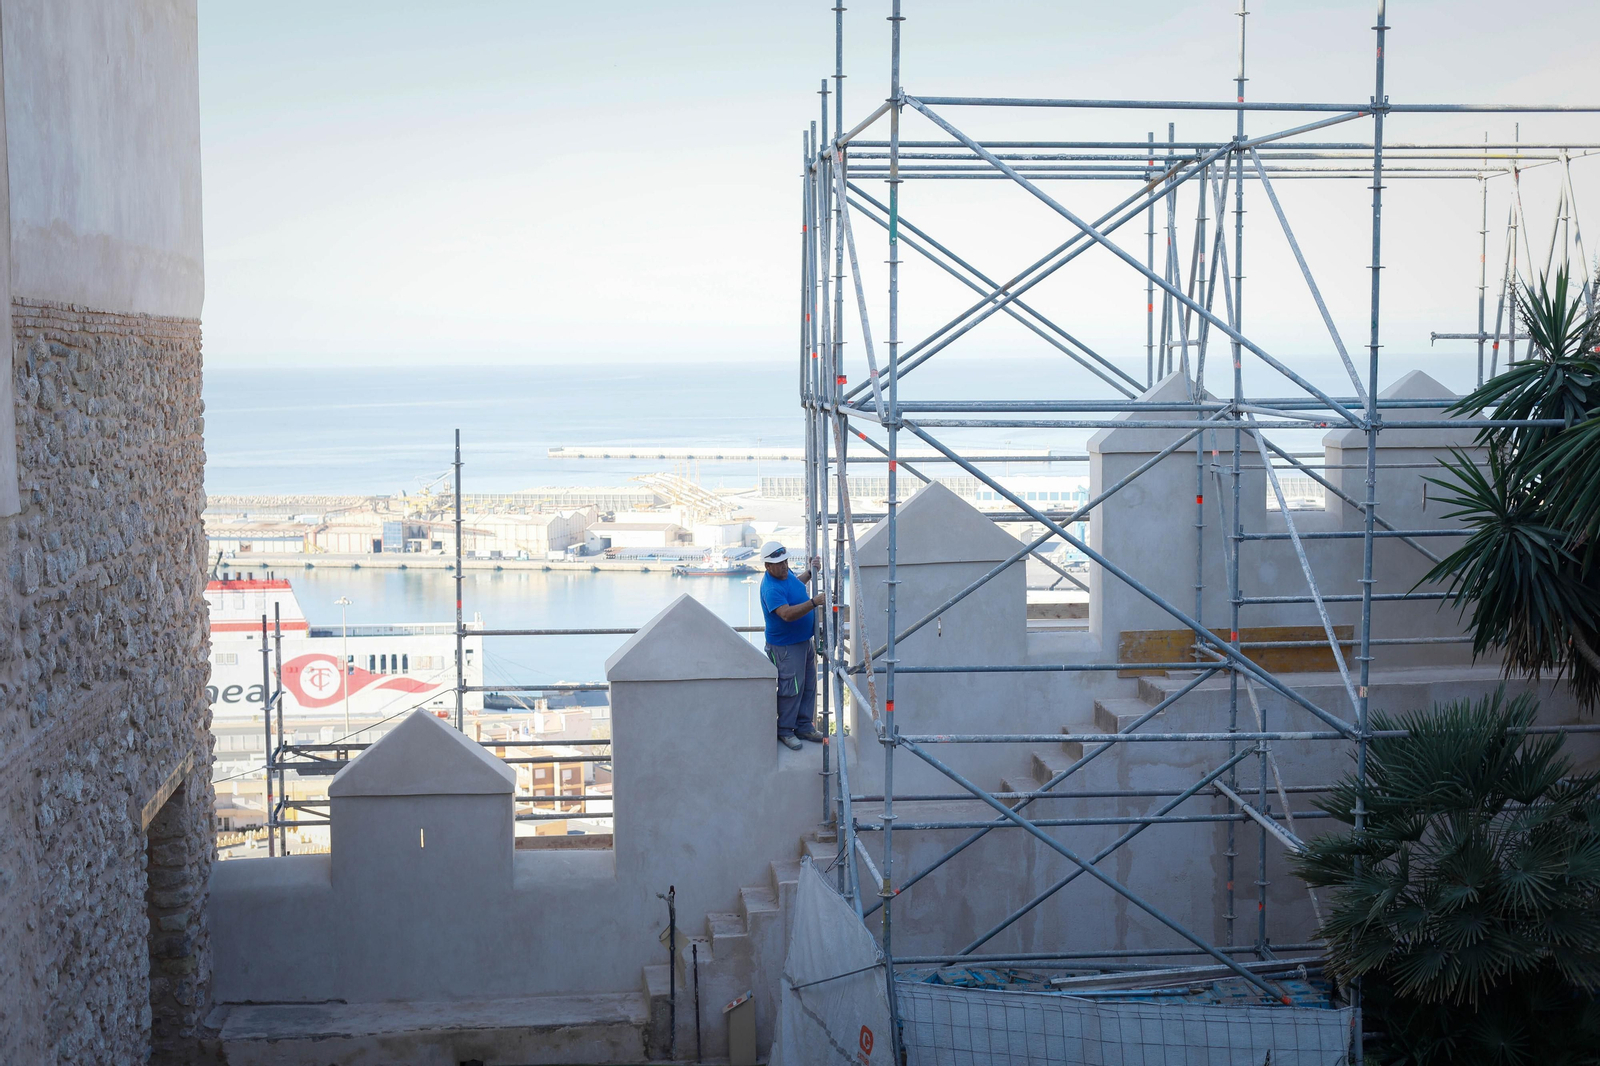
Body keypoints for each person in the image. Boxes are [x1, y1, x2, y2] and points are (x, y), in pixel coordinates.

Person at [758, 541, 825, 750]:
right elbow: (786, 614)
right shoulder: (770, 588)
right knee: (791, 689)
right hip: (785, 647)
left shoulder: (785, 577)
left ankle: (804, 726)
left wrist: (811, 572)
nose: (784, 566)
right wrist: (814, 602)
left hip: (803, 642)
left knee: (808, 686)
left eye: (785, 561)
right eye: (779, 564)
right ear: (768, 566)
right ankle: (785, 730)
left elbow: (796, 584)